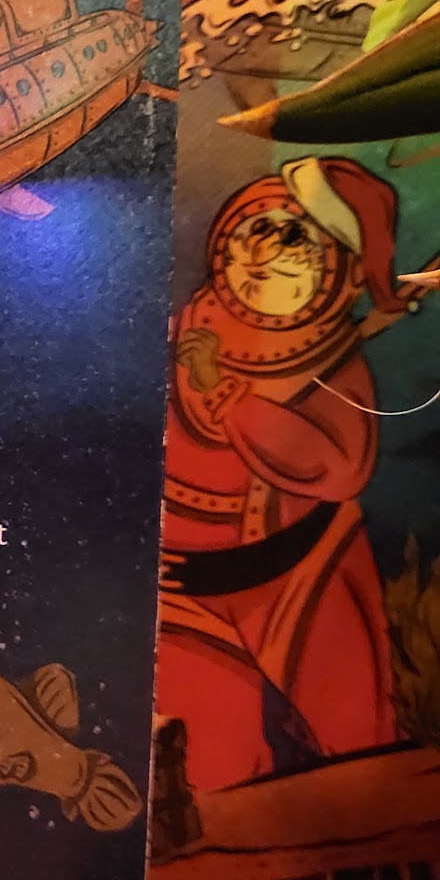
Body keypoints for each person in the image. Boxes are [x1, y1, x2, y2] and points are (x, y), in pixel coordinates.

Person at [156, 155, 406, 792]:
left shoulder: (334, 363)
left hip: (303, 577)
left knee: (361, 752)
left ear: (339, 272)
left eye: (295, 244)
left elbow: (340, 469)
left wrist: (226, 394)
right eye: (254, 234)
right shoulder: (186, 327)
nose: (263, 256)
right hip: (182, 589)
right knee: (210, 766)